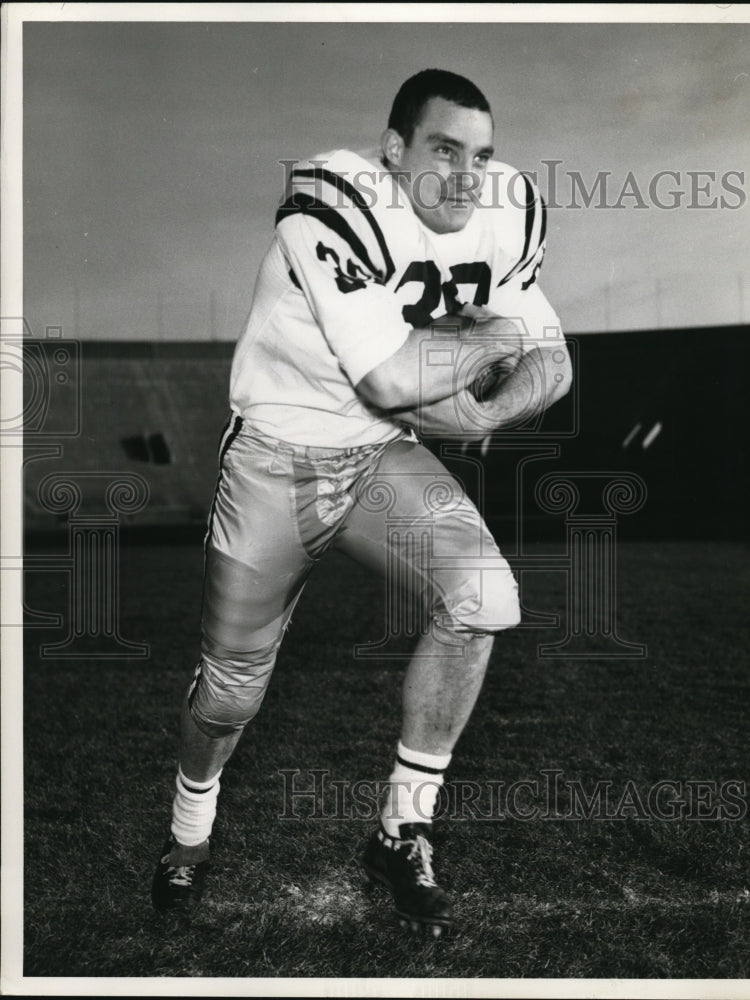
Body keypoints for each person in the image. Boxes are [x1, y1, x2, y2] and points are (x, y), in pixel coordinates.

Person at [152, 68, 571, 936]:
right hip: (278, 460)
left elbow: (554, 363)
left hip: (379, 457)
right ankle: (189, 833)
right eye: (443, 150)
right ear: (393, 152)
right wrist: (490, 341)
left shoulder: (504, 212)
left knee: (488, 598)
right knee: (231, 691)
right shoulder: (332, 199)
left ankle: (401, 826)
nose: (466, 177)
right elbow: (389, 376)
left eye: (482, 156)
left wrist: (485, 410)